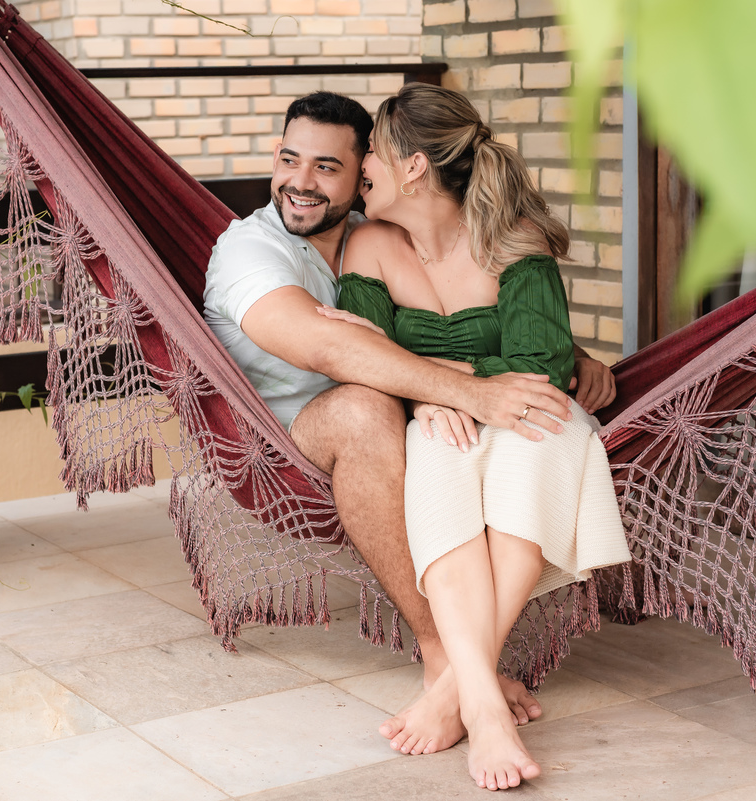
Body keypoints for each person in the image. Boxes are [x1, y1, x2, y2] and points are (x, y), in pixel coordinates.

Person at [202, 91, 619, 761]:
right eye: (289, 160)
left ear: (393, 170)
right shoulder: (257, 251)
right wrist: (452, 388)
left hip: (447, 410)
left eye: (334, 166)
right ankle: (451, 666)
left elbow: (519, 351)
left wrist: (550, 361)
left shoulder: (373, 234)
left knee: (522, 440)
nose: (302, 181)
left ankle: (463, 688)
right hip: (305, 433)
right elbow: (339, 354)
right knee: (402, 423)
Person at [318, 83, 631, 791]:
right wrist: (433, 391)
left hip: (530, 409)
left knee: (538, 436)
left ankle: (459, 691)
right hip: (439, 416)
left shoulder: (510, 235)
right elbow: (360, 353)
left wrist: (438, 373)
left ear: (415, 166)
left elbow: (541, 366)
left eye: (373, 149)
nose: (364, 161)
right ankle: (485, 699)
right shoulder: (368, 243)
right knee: (442, 455)